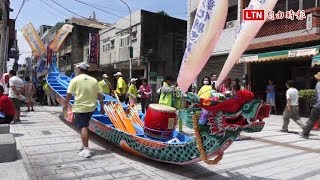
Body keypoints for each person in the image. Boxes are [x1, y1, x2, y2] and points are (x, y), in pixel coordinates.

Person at [64, 63, 105, 158]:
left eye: (77, 68)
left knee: (83, 127)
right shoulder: (94, 80)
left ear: (79, 69)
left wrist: (65, 105)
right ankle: (84, 144)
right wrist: (102, 107)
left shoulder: (75, 80)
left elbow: (69, 94)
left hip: (80, 107)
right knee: (85, 125)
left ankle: (86, 149)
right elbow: (99, 95)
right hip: (91, 107)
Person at [301, 72, 320, 139]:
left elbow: (316, 96)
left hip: (318, 106)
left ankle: (305, 134)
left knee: (312, 120)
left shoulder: (318, 84)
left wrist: (313, 103)